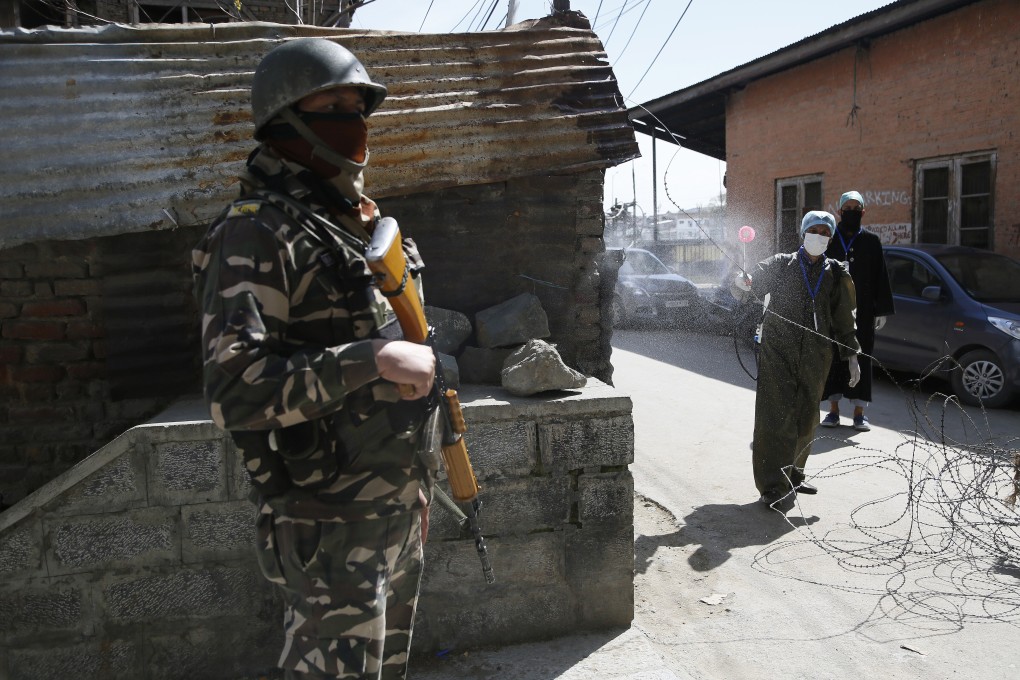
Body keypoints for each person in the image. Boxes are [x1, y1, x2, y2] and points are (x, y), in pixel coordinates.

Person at [192, 38, 438, 680]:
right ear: (285, 124)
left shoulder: (350, 224)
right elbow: (235, 391)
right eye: (332, 106)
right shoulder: (257, 231)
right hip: (327, 522)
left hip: (394, 504)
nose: (353, 122)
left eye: (358, 107)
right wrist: (373, 359)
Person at [735, 211, 862, 508]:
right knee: (774, 418)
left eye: (825, 232)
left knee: (807, 416)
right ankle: (771, 486)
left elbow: (844, 318)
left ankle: (794, 474)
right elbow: (750, 284)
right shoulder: (780, 264)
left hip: (817, 354)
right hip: (778, 350)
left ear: (830, 237)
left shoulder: (836, 274)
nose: (819, 236)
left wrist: (852, 356)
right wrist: (742, 283)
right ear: (804, 233)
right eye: (814, 230)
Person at [820, 190, 895, 432]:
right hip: (834, 310)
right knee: (833, 356)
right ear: (840, 212)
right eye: (847, 208)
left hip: (863, 313)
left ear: (863, 212)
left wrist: (881, 309)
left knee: (861, 356)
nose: (851, 212)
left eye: (856, 208)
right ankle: (832, 411)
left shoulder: (871, 241)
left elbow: (881, 276)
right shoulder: (830, 240)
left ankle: (859, 413)